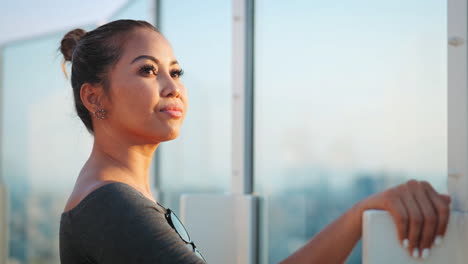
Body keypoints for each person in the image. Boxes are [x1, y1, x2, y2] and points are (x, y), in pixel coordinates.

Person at [58, 19, 451, 264]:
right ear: (94, 97)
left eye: (176, 72)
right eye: (148, 70)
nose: (172, 87)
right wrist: (360, 214)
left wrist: (361, 214)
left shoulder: (117, 197)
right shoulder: (110, 204)